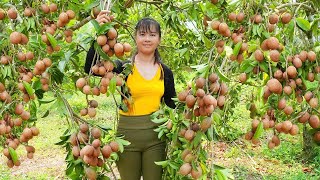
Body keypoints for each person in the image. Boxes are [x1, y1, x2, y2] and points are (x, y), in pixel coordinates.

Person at [85, 10, 176, 180]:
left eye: (152, 34)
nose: (147, 39)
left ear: (159, 39)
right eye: (142, 34)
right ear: (136, 38)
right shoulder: (123, 68)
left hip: (156, 138)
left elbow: (173, 104)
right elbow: (90, 67)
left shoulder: (166, 72)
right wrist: (99, 29)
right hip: (127, 137)